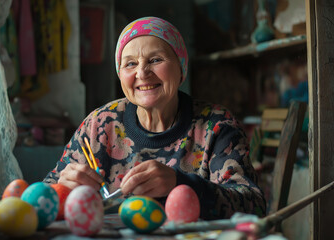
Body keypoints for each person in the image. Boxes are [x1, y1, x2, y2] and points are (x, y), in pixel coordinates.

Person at [44, 16, 266, 220]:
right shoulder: (100, 124)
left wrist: (181, 184)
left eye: (156, 59)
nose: (142, 73)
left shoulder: (216, 125)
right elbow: (41, 198)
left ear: (181, 69)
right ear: (120, 74)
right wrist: (62, 191)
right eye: (130, 63)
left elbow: (253, 205)